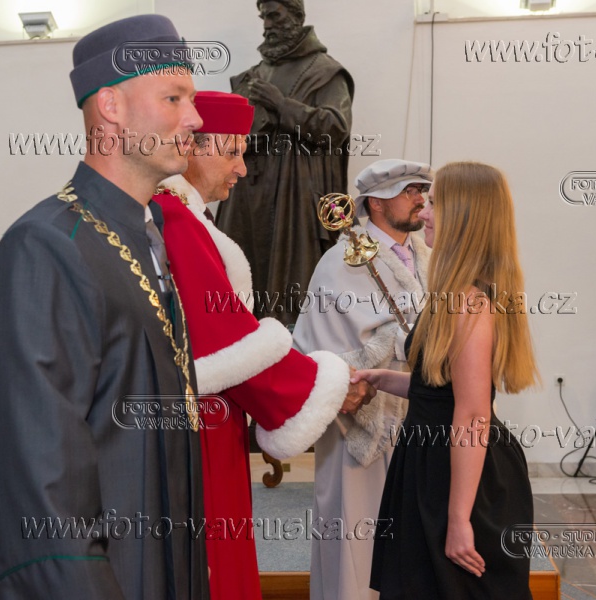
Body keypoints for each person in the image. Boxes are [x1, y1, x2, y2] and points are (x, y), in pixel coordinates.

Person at [0, 16, 209, 599]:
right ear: (110, 106)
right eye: (174, 98)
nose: (195, 118)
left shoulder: (144, 236)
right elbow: (43, 482)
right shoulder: (44, 247)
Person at [151, 90, 373, 600]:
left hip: (207, 415)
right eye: (233, 152)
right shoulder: (176, 219)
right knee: (214, 560)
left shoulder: (185, 216)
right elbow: (225, 340)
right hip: (200, 424)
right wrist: (324, 385)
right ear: (195, 148)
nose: (243, 169)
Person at [354, 161, 539, 599]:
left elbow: (472, 414)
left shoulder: (470, 303)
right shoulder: (457, 294)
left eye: (434, 203)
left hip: (458, 477)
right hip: (431, 464)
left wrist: (458, 519)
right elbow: (438, 391)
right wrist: (381, 378)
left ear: (464, 217)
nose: (424, 213)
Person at [292, 159, 433, 600]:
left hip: (419, 417)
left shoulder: (429, 255)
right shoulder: (340, 262)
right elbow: (318, 350)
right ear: (376, 202)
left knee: (413, 543)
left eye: (422, 190)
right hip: (361, 423)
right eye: (409, 191)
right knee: (356, 536)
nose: (420, 199)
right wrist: (401, 341)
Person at [215, 0, 354, 326]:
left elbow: (335, 130)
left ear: (295, 15)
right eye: (263, 16)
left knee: (289, 293)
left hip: (293, 199)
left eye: (274, 15)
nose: (267, 24)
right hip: (245, 194)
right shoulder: (253, 76)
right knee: (235, 284)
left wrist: (281, 105)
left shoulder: (325, 72)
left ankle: (289, 345)